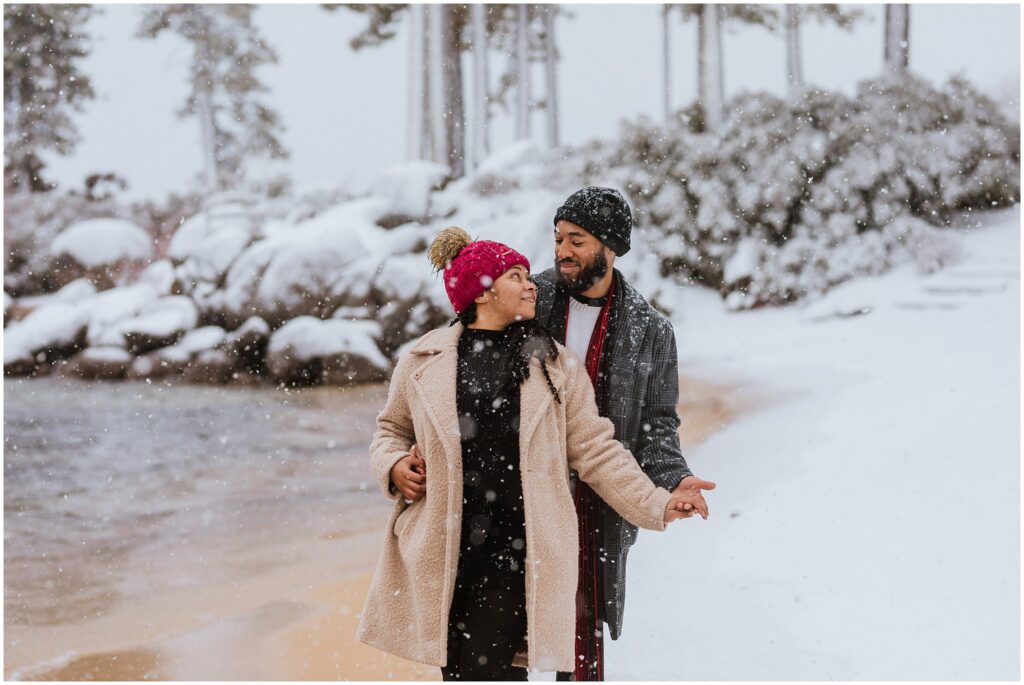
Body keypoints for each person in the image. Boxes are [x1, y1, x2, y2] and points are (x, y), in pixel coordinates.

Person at [356, 227, 706, 680]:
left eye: (527, 275)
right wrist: (394, 465)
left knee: (488, 672)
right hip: (442, 551)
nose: (531, 285)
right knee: (460, 672)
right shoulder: (422, 360)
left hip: (515, 553)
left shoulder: (555, 366)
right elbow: (390, 430)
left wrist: (657, 502)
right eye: (516, 276)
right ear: (481, 293)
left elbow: (598, 450)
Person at [533, 186, 718, 681]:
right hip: (523, 488)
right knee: (508, 627)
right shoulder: (529, 298)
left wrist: (674, 477)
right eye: (558, 238)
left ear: (610, 248)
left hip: (600, 496)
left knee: (582, 628)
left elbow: (658, 422)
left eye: (577, 240)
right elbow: (466, 360)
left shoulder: (651, 330)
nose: (562, 251)